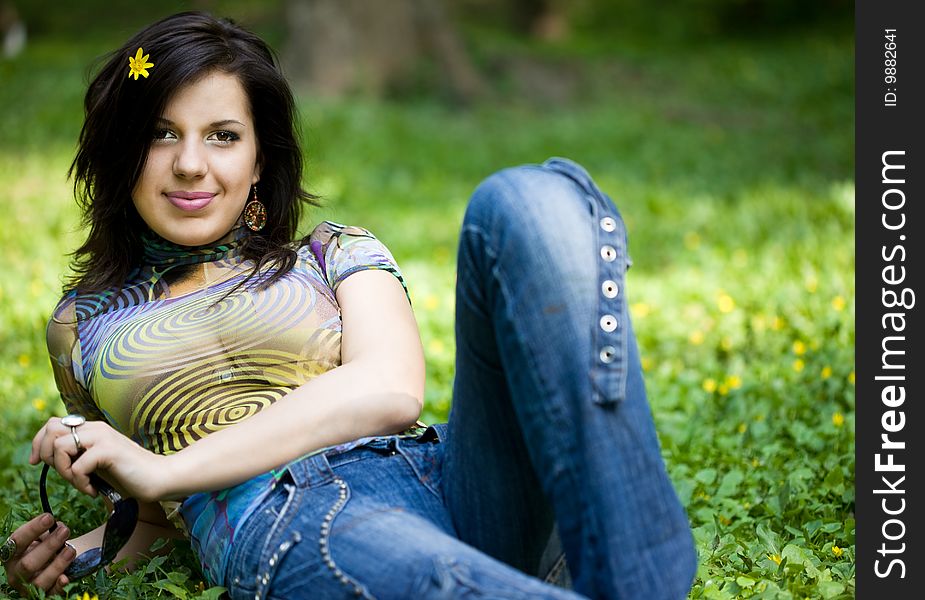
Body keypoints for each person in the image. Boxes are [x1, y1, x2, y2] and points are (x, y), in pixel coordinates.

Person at [1, 11, 696, 600]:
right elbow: (155, 520)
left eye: (222, 135)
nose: (190, 164)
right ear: (123, 154)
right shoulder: (82, 324)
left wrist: (162, 467)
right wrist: (72, 558)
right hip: (281, 514)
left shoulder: (333, 252)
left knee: (523, 202)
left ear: (258, 161)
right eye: (161, 133)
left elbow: (389, 390)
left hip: (447, 475)